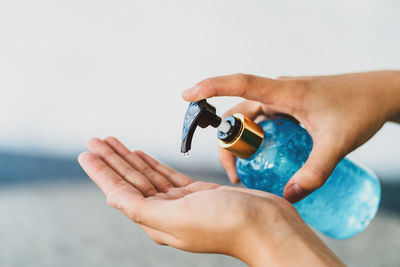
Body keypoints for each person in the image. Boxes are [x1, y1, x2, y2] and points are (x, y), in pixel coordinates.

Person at [78, 70, 400, 266]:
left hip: (365, 192)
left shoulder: (277, 130)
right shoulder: (250, 171)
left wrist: (258, 232)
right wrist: (387, 91)